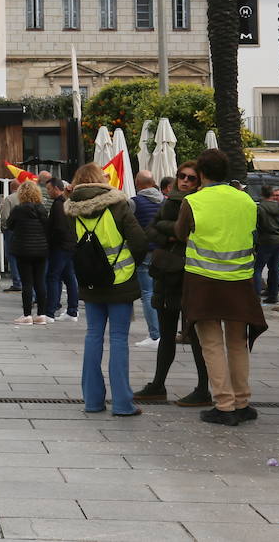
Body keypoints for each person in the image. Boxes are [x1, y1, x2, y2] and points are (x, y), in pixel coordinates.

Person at [178, 149, 265, 427]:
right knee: (238, 342)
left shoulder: (193, 201)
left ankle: (224, 405)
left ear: (201, 174)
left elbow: (181, 233)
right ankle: (243, 402)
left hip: (204, 281)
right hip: (239, 280)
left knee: (212, 344)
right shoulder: (247, 201)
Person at [64, 164, 148, 417]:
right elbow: (140, 242)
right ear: (101, 180)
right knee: (119, 339)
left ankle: (92, 400)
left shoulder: (71, 210)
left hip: (90, 281)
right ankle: (122, 403)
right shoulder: (118, 205)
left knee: (93, 336)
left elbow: (71, 245)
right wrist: (130, 264)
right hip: (119, 280)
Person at [134, 162, 211, 407]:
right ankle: (158, 384)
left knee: (198, 336)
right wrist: (175, 231)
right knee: (167, 334)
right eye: (182, 176)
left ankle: (202, 388)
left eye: (191, 177)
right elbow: (151, 231)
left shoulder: (202, 202)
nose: (185, 181)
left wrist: (170, 231)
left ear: (200, 181)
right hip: (168, 275)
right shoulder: (170, 201)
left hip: (193, 274)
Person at [7, 180, 51, 324]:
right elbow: (47, 227)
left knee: (27, 283)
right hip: (41, 250)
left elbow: (10, 225)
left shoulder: (18, 210)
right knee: (40, 282)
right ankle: (42, 315)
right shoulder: (42, 209)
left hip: (23, 249)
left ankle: (27, 315)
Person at [131, 171, 165, 349]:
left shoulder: (134, 202)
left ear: (138, 183)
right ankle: (163, 333)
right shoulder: (164, 201)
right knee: (160, 293)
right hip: (163, 252)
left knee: (147, 293)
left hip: (145, 252)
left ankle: (154, 335)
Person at [42, 176, 79, 323]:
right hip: (70, 245)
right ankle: (72, 311)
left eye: (49, 189)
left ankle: (50, 312)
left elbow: (57, 228)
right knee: (69, 277)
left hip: (60, 247)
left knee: (52, 277)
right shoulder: (67, 203)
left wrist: (50, 244)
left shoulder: (58, 205)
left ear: (57, 189)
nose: (48, 192)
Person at [254, 185, 279, 305]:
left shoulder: (260, 208)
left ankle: (256, 294)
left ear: (262, 195)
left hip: (265, 240)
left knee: (257, 268)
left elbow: (257, 224)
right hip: (278, 240)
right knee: (274, 268)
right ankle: (274, 295)